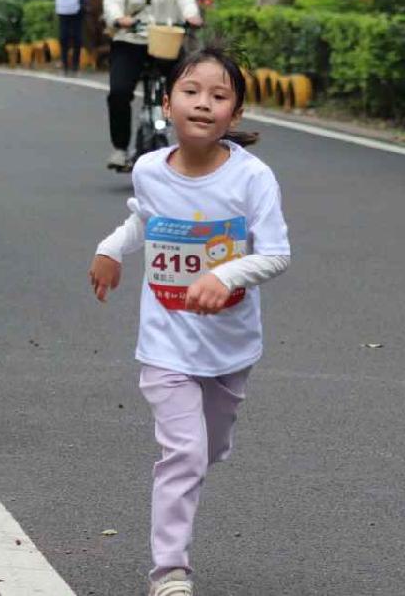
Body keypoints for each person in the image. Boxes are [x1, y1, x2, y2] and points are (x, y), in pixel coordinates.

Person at [88, 46, 290, 596]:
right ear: (167, 103)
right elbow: (143, 219)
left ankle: (202, 455)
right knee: (184, 453)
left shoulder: (252, 178)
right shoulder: (150, 169)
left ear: (236, 113)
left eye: (219, 96)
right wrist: (111, 249)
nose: (203, 103)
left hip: (229, 345)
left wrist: (226, 276)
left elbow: (276, 253)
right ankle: (170, 570)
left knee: (210, 447)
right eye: (191, 91)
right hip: (166, 341)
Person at [103, 0, 204, 171]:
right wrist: (119, 18)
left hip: (167, 42)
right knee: (118, 93)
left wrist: (192, 16)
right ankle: (120, 148)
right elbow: (112, 1)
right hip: (131, 40)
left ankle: (193, 146)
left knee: (187, 92)